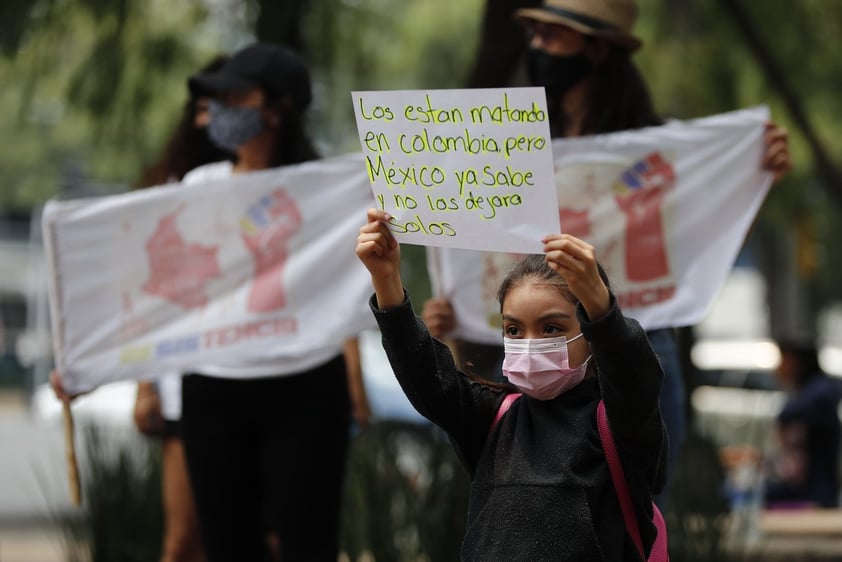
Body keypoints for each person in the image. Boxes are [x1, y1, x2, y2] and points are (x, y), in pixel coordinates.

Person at [421, 0, 793, 503]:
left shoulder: (665, 151)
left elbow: (702, 243)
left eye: (551, 36)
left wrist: (751, 180)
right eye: (533, 34)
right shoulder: (507, 153)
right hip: (540, 351)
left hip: (639, 346)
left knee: (632, 504)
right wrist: (456, 313)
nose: (535, 48)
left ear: (597, 49)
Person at [357, 208, 667, 559]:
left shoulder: (619, 424)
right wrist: (385, 280)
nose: (530, 343)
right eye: (514, 330)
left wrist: (599, 303)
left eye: (551, 328)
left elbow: (634, 376)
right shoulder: (495, 419)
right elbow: (428, 378)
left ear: (592, 335)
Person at [177, 42, 369, 562]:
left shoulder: (330, 192)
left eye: (236, 95)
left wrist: (354, 375)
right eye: (218, 97)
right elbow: (168, 291)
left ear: (278, 107)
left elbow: (344, 284)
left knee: (309, 544)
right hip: (212, 387)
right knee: (228, 545)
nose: (220, 108)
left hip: (307, 386)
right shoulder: (197, 187)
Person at [131, 55, 231, 562]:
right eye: (203, 107)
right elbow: (151, 296)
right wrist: (146, 384)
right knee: (184, 540)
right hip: (183, 385)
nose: (206, 119)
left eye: (222, 106)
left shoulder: (281, 193)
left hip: (255, 383)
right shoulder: (172, 192)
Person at [764, 338, 841, 508]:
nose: (777, 368)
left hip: (816, 494)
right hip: (807, 488)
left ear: (797, 362)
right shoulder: (804, 390)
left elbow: (787, 415)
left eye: (783, 360)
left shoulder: (820, 390)